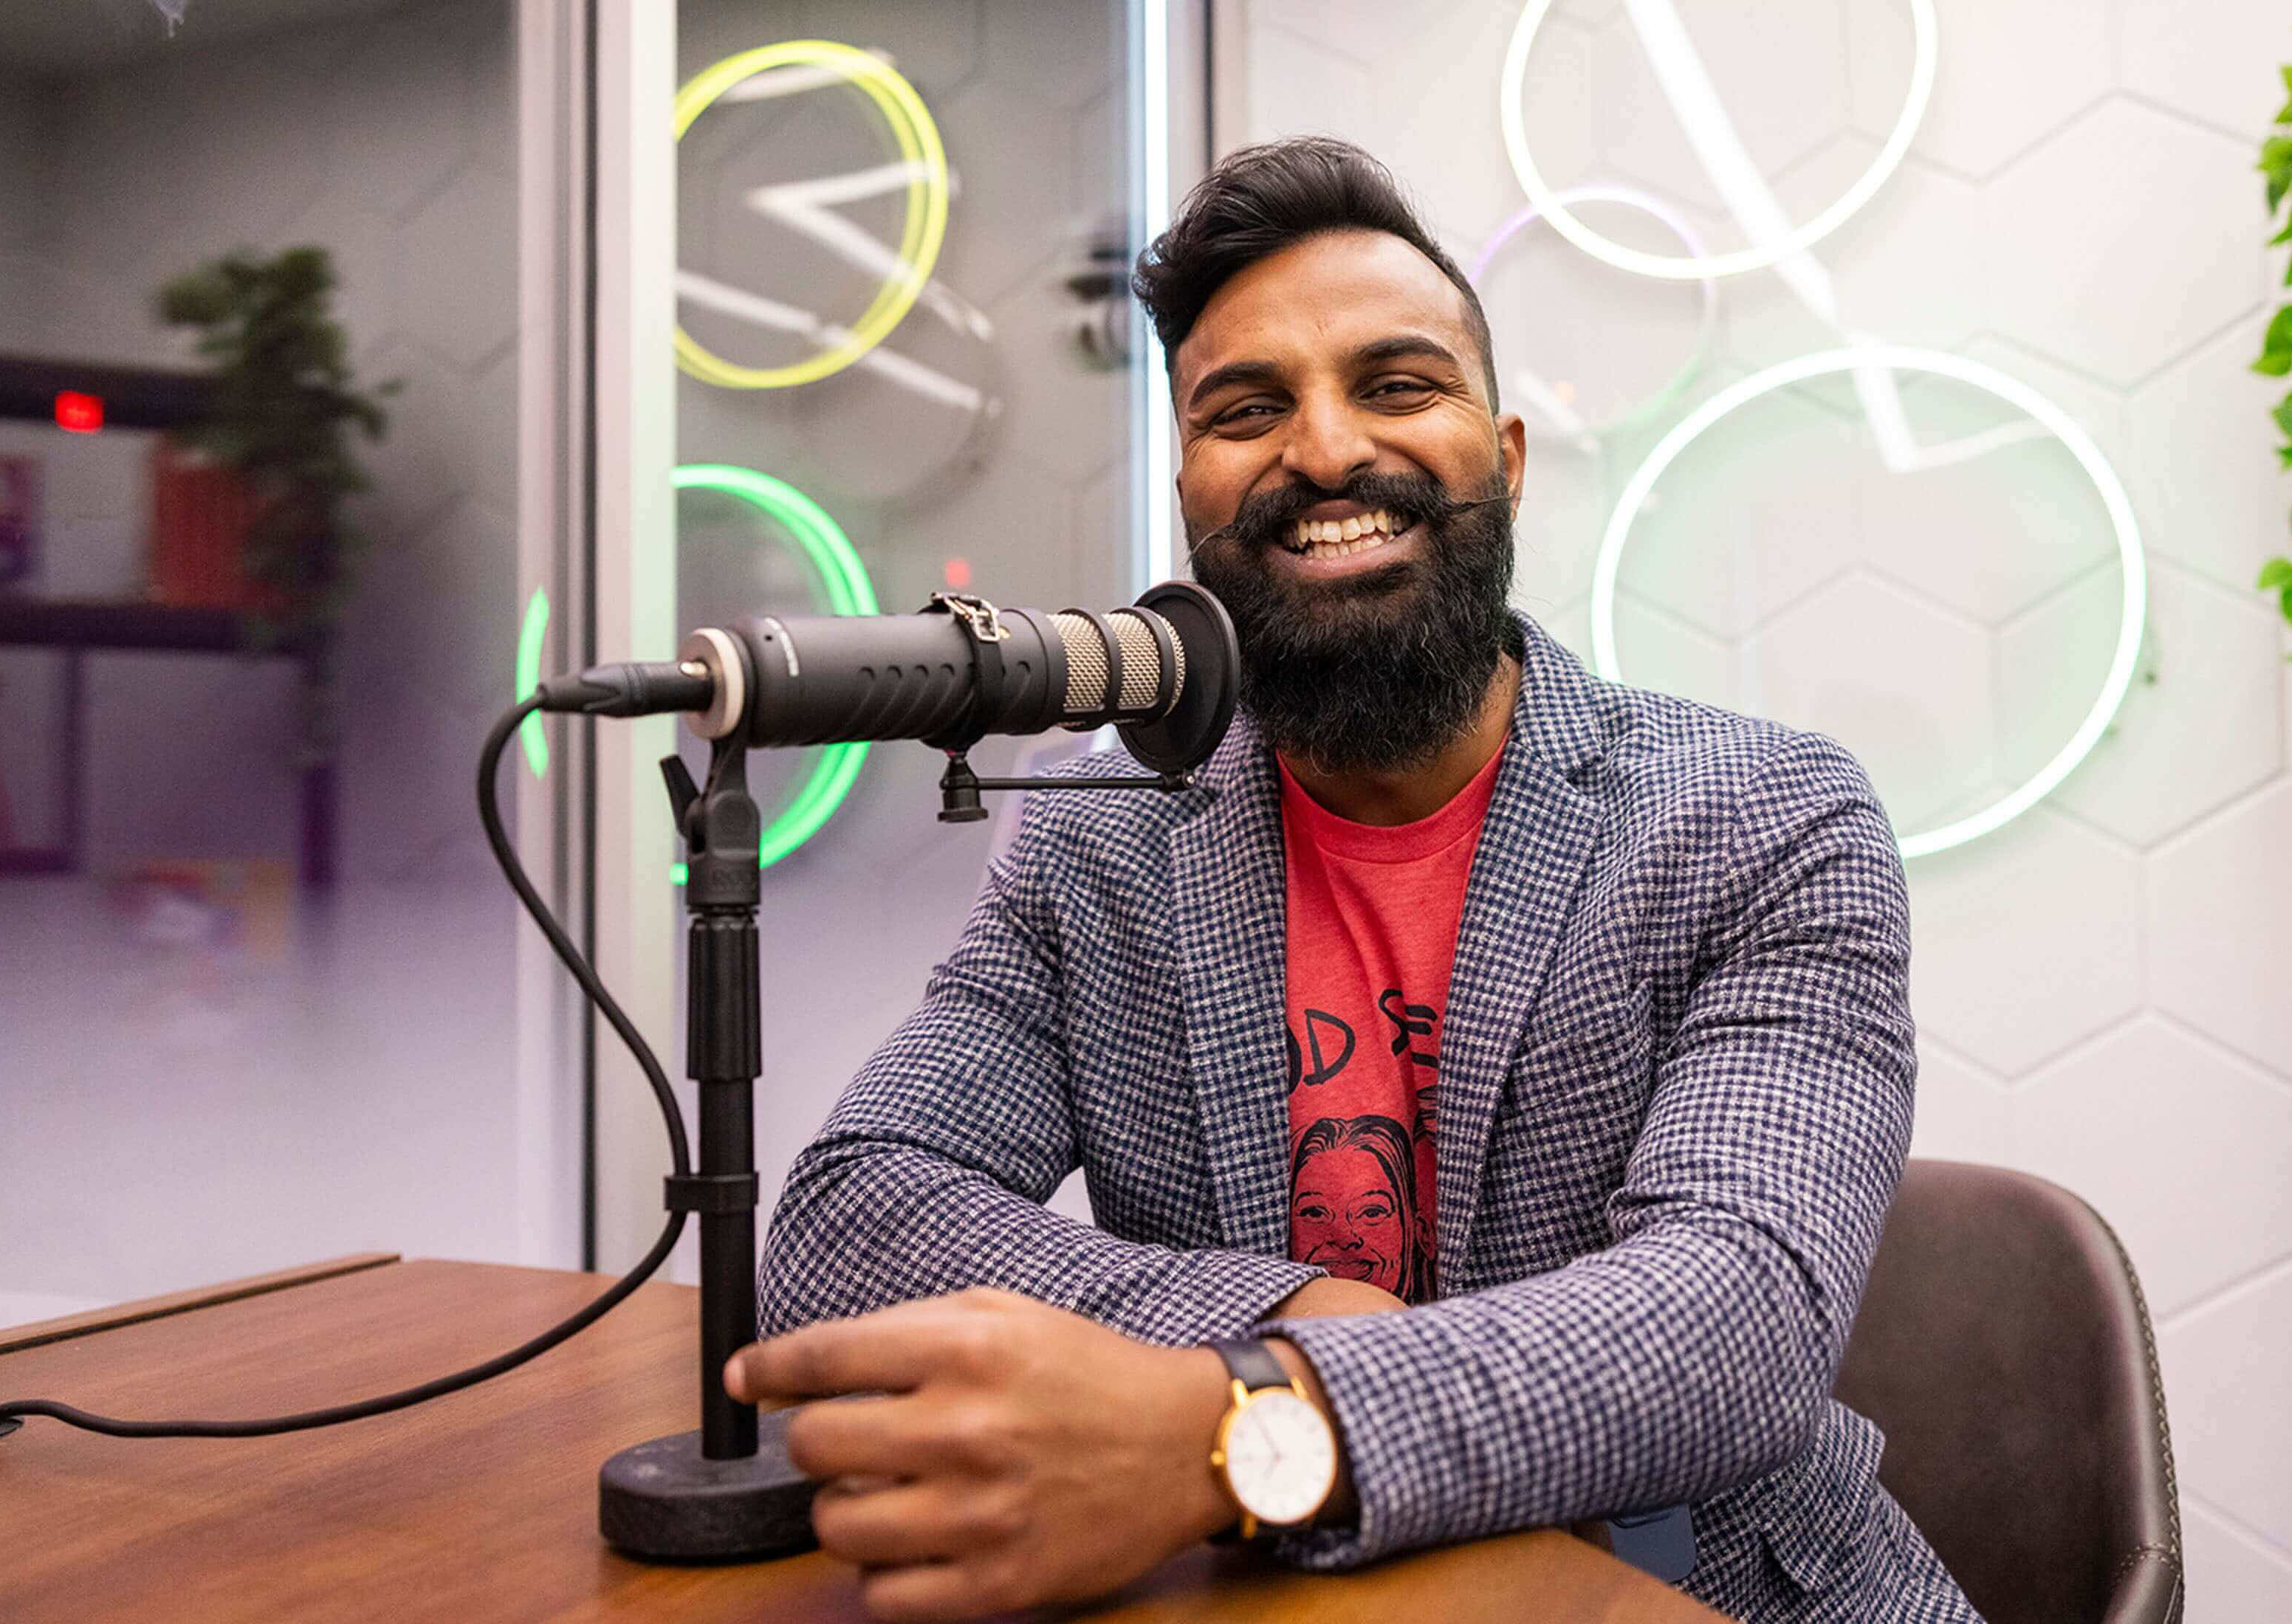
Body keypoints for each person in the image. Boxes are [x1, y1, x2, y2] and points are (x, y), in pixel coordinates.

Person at [735, 136, 1978, 1624]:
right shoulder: (1098, 834)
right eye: (1244, 409)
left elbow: (1736, 1325)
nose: (1322, 451)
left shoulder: (1766, 819)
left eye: (1393, 385)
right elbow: (845, 1222)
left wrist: (1238, 1425)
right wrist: (1277, 1315)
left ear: (1502, 462)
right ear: (1189, 493)